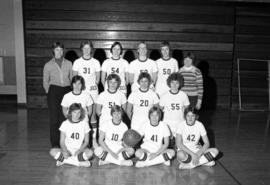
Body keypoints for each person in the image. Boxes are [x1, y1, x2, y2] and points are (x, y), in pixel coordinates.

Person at [43, 42, 73, 148]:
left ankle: (65, 142)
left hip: (66, 91)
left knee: (64, 118)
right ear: (53, 51)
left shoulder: (69, 63)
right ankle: (55, 144)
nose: (59, 52)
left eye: (61, 49)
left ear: (63, 51)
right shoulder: (48, 65)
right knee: (54, 119)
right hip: (54, 92)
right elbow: (45, 81)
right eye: (57, 49)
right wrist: (49, 92)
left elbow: (72, 78)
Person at [72, 40, 101, 147]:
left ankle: (93, 140)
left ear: (91, 49)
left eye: (89, 48)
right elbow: (74, 78)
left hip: (92, 92)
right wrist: (79, 89)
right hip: (81, 92)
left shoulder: (96, 62)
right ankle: (80, 140)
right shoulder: (77, 62)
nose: (87, 50)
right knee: (79, 115)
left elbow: (98, 78)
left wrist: (95, 84)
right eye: (85, 48)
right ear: (81, 49)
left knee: (92, 115)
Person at [49, 103, 93, 167]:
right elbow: (62, 141)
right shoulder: (65, 123)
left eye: (79, 112)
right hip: (68, 149)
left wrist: (79, 150)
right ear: (70, 113)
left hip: (79, 149)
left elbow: (86, 141)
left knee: (90, 153)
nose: (77, 115)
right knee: (52, 151)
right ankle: (79, 163)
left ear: (81, 113)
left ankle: (64, 161)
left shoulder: (85, 124)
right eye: (74, 112)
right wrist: (65, 151)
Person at [159, 72, 190, 137]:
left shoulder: (183, 95)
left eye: (177, 83)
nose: (174, 85)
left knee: (179, 144)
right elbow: (159, 111)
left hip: (180, 122)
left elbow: (187, 111)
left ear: (180, 84)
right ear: (169, 83)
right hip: (167, 123)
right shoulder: (164, 96)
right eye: (172, 82)